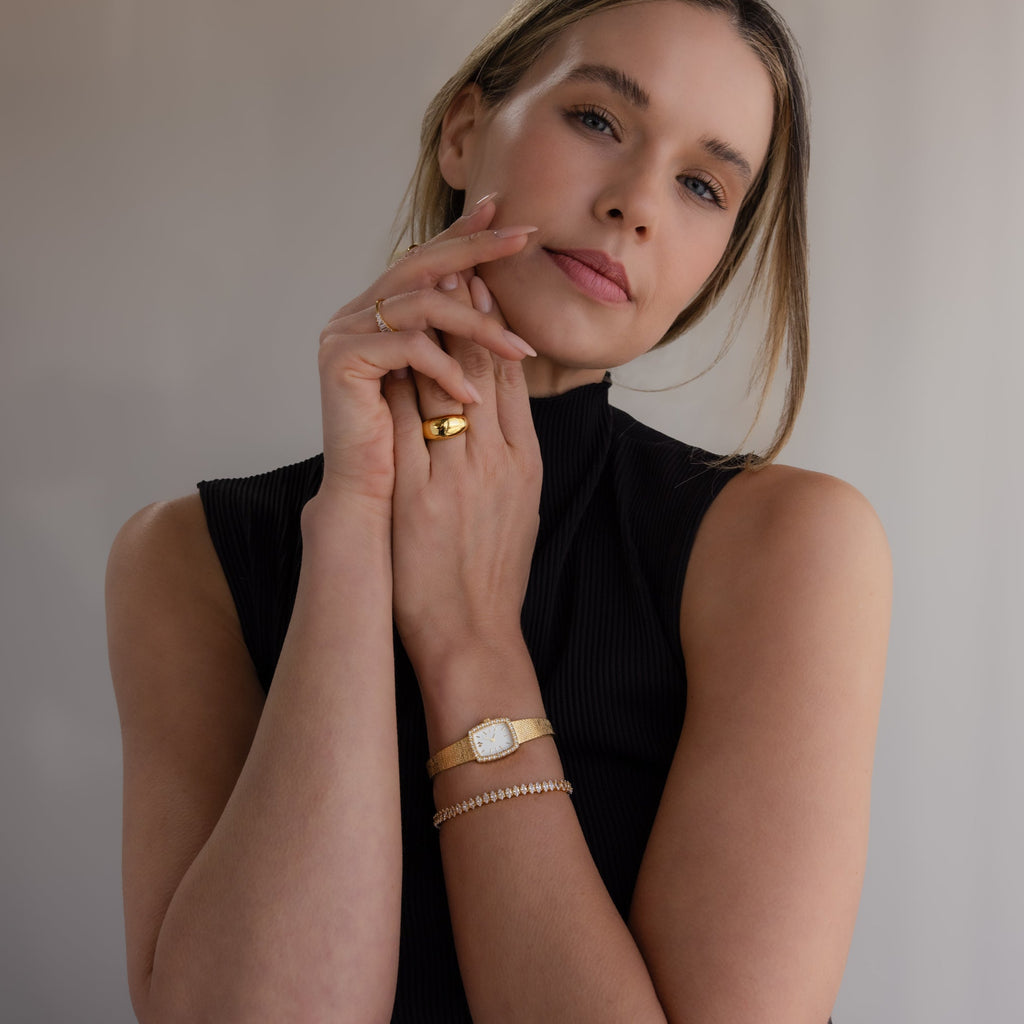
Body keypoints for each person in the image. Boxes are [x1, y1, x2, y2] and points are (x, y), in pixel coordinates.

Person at [105, 0, 891, 1021]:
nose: (636, 204)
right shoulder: (186, 558)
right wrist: (353, 522)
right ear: (464, 130)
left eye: (702, 184)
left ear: (717, 259)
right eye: (600, 121)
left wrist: (470, 638)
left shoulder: (790, 551)